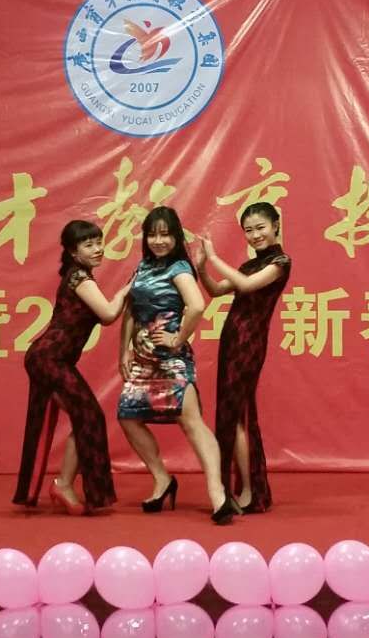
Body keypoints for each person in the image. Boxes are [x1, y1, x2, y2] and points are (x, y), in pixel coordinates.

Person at [116, 206, 240, 524]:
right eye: (152, 234)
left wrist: (177, 338)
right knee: (128, 417)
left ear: (176, 237)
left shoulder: (179, 267)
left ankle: (218, 493)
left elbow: (196, 305)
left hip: (171, 360)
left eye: (165, 234)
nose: (158, 241)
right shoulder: (143, 266)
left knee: (191, 423)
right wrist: (123, 351)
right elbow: (130, 310)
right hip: (142, 359)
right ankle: (162, 479)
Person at [13, 220, 129, 515]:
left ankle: (60, 486)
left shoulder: (79, 275)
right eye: (89, 245)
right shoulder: (79, 278)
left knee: (82, 416)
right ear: (74, 252)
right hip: (48, 358)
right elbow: (108, 314)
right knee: (89, 415)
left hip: (50, 358)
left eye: (99, 242)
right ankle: (63, 485)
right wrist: (126, 291)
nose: (98, 249)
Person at [195, 202, 291, 513]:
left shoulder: (280, 262)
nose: (255, 235)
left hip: (249, 344)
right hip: (232, 341)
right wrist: (201, 267)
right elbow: (216, 291)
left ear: (275, 226)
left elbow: (247, 286)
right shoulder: (250, 264)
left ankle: (249, 490)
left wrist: (214, 258)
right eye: (248, 230)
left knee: (238, 416)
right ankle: (239, 489)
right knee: (231, 415)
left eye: (260, 227)